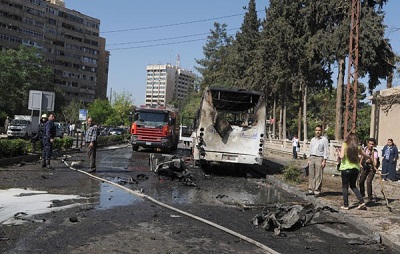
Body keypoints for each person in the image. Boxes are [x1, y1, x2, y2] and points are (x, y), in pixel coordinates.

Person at [338, 133, 370, 210]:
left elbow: (341, 156)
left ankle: (346, 205)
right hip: (355, 169)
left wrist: (338, 152)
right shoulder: (357, 147)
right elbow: (365, 154)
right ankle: (362, 202)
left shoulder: (344, 145)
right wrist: (370, 157)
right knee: (353, 186)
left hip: (345, 169)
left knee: (345, 187)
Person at [307, 125, 329, 196]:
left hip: (319, 158)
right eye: (316, 130)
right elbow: (310, 149)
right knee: (311, 174)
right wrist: (309, 158)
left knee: (318, 175)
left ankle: (317, 191)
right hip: (312, 157)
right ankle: (311, 190)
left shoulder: (324, 140)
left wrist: (324, 160)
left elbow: (326, 150)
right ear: (315, 131)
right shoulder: (313, 139)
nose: (318, 132)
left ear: (321, 131)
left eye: (319, 130)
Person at [359, 138, 378, 203]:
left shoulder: (375, 152)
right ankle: (362, 194)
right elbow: (362, 156)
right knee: (361, 181)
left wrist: (371, 157)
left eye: (372, 144)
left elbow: (375, 163)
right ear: (367, 143)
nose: (371, 145)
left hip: (372, 168)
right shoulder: (365, 149)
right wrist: (360, 163)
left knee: (368, 182)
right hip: (365, 167)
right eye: (369, 144)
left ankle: (370, 197)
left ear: (374, 145)